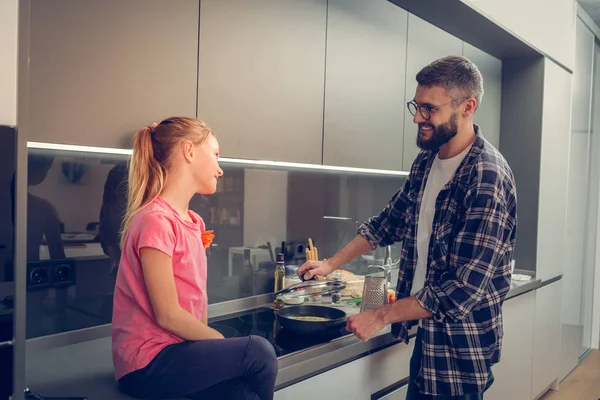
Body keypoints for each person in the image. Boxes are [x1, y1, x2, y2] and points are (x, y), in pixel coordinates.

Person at [298, 56, 517, 399]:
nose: (417, 118)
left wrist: (380, 317)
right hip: (428, 340)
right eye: (416, 106)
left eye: (429, 109)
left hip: (460, 351)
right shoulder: (428, 160)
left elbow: (461, 289)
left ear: (467, 107)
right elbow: (388, 223)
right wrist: (329, 265)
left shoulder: (486, 178)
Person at [112, 117, 278, 400]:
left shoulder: (194, 222)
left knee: (243, 394)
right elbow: (167, 314)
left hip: (180, 352)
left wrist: (217, 353)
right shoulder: (155, 220)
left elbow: (197, 297)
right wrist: (222, 345)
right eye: (215, 155)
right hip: (147, 362)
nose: (220, 169)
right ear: (189, 151)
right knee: (258, 352)